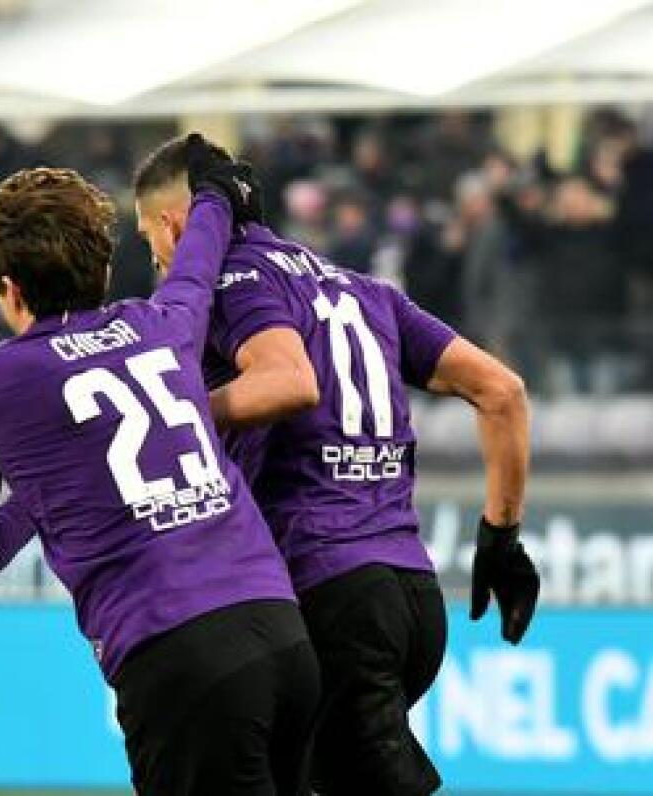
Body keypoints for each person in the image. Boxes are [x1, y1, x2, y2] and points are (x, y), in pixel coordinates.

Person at [133, 135, 540, 796]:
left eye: (148, 238)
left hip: (330, 594)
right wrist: (502, 539)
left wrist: (171, 411)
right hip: (412, 599)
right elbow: (503, 392)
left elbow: (287, 382)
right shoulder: (360, 289)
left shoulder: (234, 281)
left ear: (175, 224)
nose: (155, 261)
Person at [0, 140, 320, 795]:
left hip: (180, 659)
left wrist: (36, 494)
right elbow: (196, 263)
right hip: (284, 636)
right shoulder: (161, 324)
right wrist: (216, 192)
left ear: (8, 289)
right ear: (106, 267)